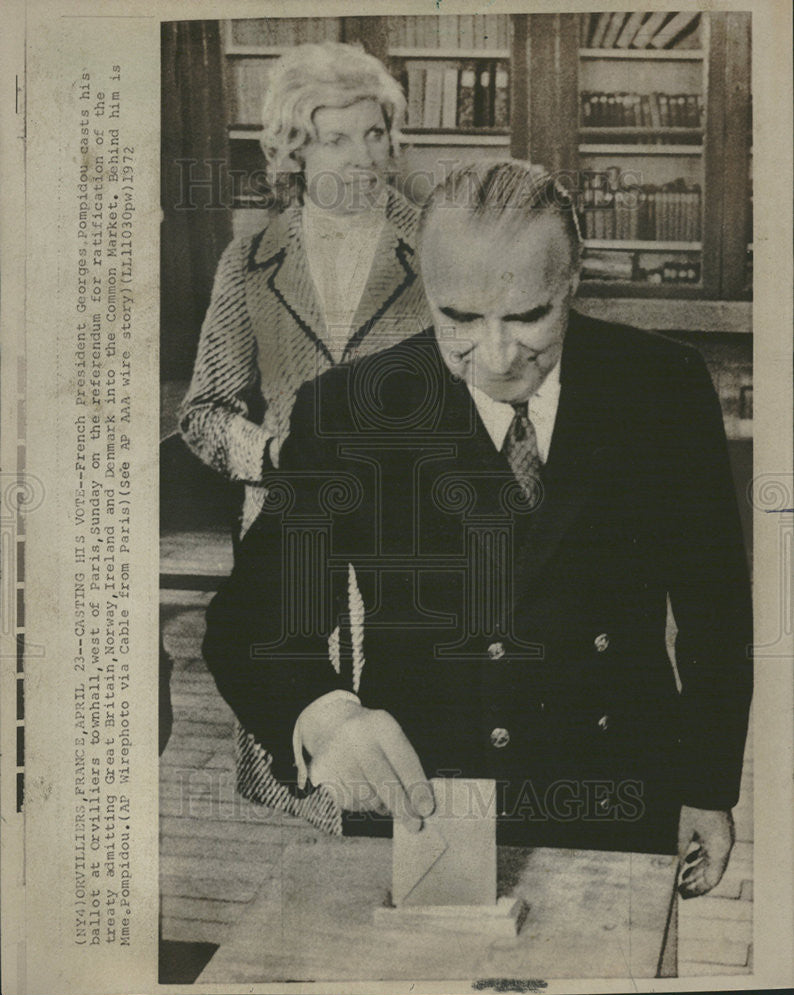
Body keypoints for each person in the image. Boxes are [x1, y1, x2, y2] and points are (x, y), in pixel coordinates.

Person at [203, 161, 752, 895]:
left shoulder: (662, 386)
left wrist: (707, 785)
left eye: (529, 316)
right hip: (429, 799)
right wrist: (323, 715)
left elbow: (716, 613)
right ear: (424, 291)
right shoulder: (350, 412)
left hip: (617, 791)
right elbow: (251, 620)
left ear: (574, 280)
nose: (495, 357)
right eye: (458, 318)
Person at [180, 40, 432, 540]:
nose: (365, 158)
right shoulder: (248, 262)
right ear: (296, 152)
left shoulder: (441, 249)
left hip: (414, 530)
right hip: (284, 529)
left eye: (375, 134)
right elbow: (203, 414)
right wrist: (277, 457)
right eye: (336, 140)